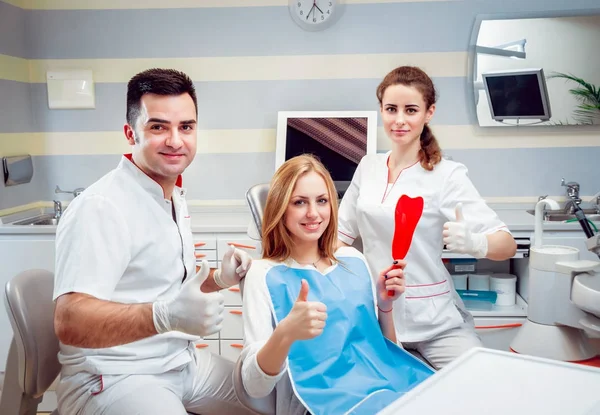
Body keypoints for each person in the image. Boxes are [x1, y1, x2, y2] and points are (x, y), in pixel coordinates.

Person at [53, 68, 254, 415]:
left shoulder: (171, 194)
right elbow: (68, 321)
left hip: (180, 362)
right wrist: (164, 317)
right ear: (131, 133)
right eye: (158, 126)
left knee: (277, 398)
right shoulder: (102, 206)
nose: (176, 140)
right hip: (115, 376)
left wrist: (218, 280)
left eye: (186, 127)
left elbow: (161, 287)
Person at [337, 66, 517, 370]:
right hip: (374, 314)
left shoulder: (447, 175)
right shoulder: (368, 167)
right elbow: (338, 238)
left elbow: (507, 244)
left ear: (429, 112)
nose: (400, 120)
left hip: (434, 320)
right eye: (391, 109)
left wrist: (475, 243)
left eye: (411, 110)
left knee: (483, 381)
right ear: (381, 109)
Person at [240, 154, 433, 415]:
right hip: (319, 403)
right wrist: (285, 334)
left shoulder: (353, 260)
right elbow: (255, 386)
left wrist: (385, 307)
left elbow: (382, 352)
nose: (313, 213)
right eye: (299, 202)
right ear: (280, 208)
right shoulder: (263, 275)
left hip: (384, 386)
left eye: (322, 201)